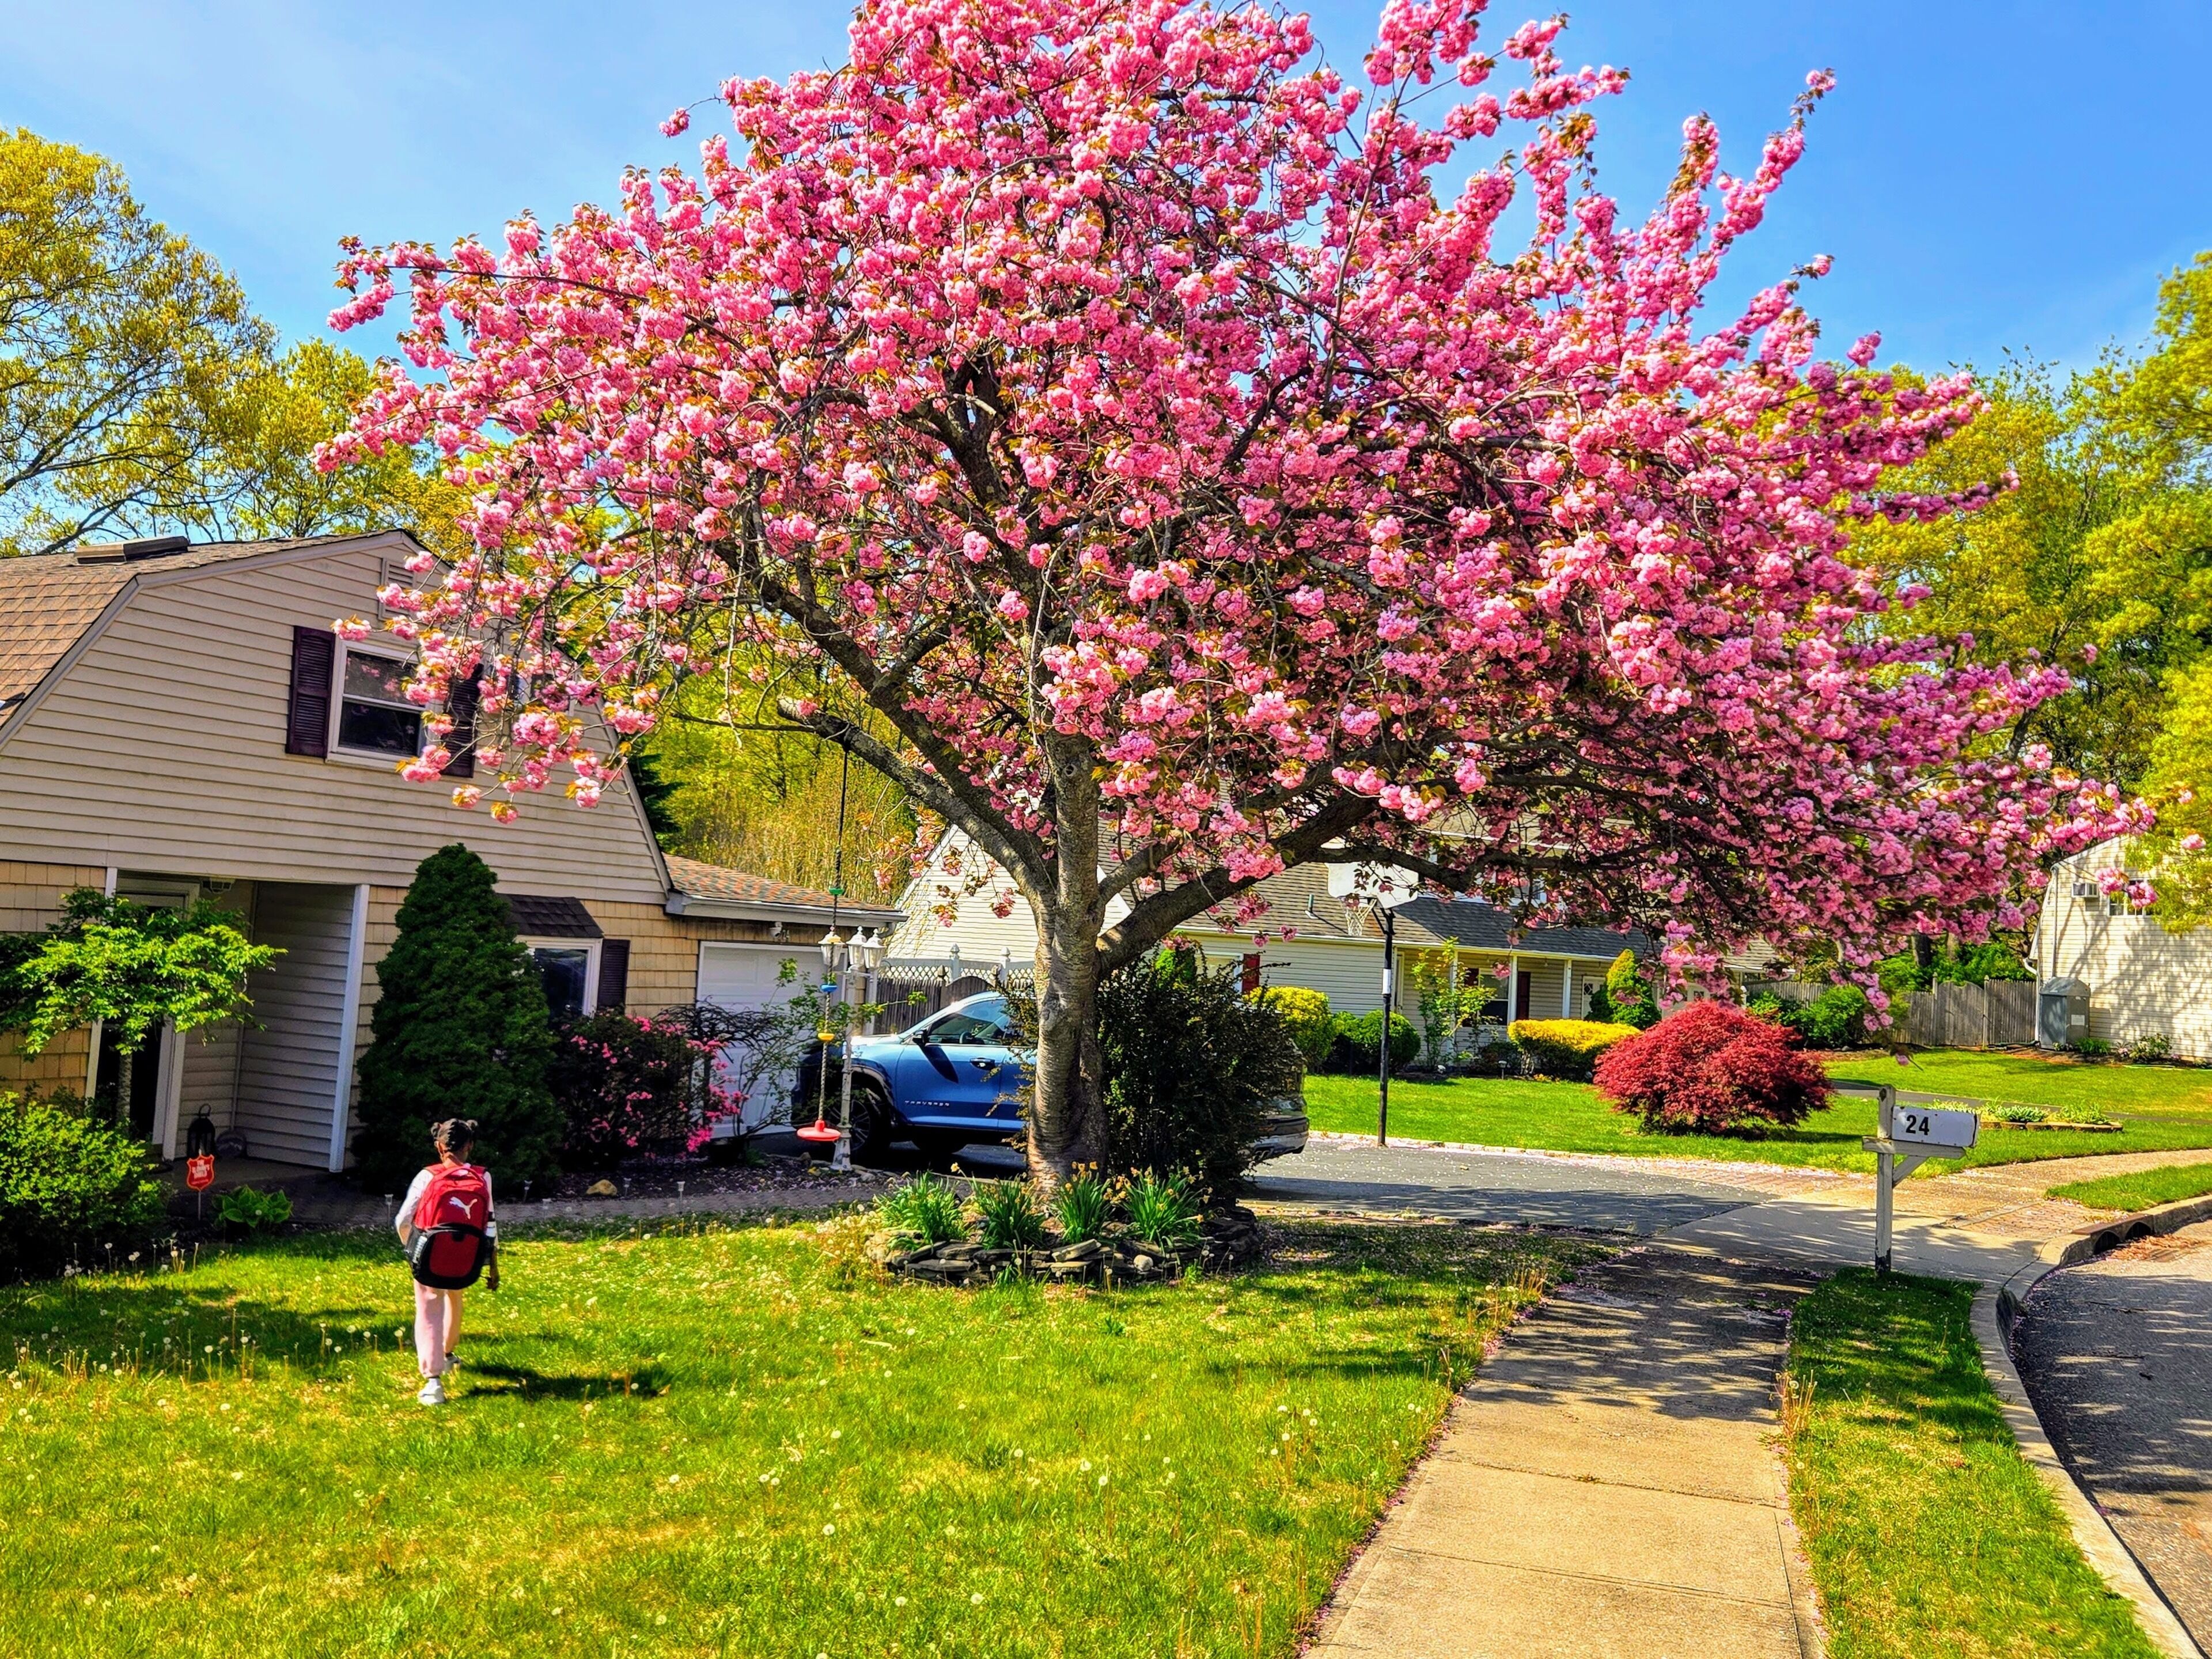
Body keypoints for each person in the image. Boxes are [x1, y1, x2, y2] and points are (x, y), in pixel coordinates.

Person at [395, 1118, 498, 1406]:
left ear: (439, 1146)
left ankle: (433, 1383)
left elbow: (402, 1220)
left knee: (429, 1307)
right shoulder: (483, 1177)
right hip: (468, 1257)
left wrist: (413, 1249)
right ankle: (449, 1353)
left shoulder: (427, 1175)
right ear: (470, 1146)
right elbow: (489, 1223)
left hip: (430, 1255)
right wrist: (492, 1263)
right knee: (455, 1297)